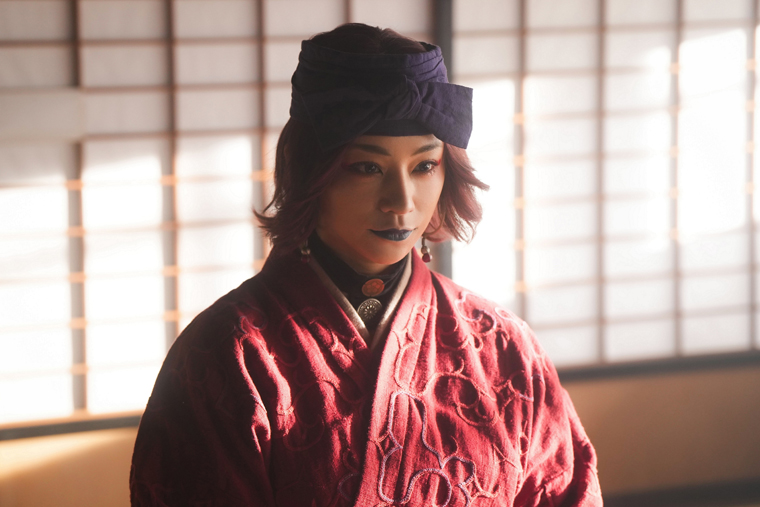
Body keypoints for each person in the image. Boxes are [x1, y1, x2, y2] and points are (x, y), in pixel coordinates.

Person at [130, 23, 602, 507]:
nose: (402, 201)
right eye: (367, 167)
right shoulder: (229, 354)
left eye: (424, 166)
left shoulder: (502, 344)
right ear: (308, 172)